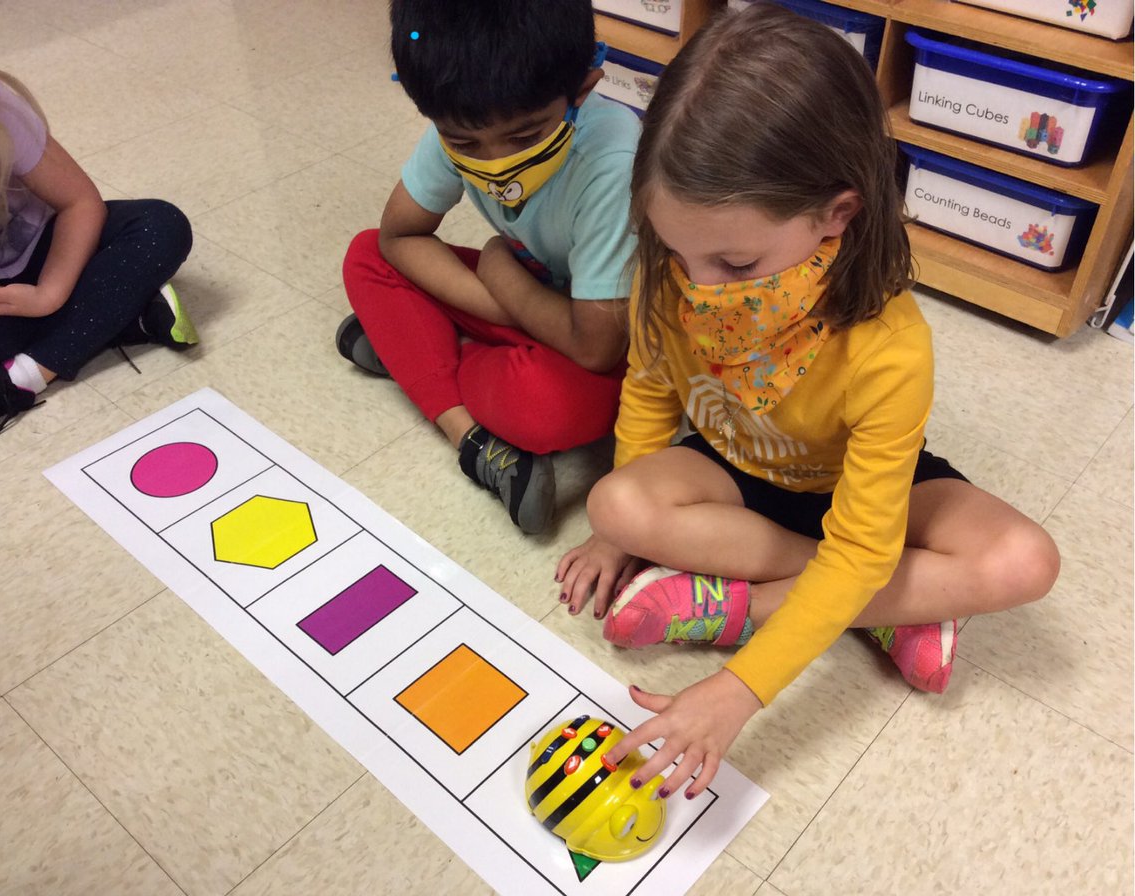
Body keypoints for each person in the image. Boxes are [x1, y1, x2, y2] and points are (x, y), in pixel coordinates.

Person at [555, 4, 1060, 800]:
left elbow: (862, 543)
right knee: (617, 505)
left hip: (855, 495)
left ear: (838, 212)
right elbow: (649, 393)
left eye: (734, 260)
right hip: (734, 469)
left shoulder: (890, 346)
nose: (699, 285)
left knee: (1027, 561)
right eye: (680, 254)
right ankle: (897, 606)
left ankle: (739, 607)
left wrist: (738, 688)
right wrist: (616, 540)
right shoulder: (671, 267)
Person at [339, 0, 638, 534]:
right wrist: (506, 294)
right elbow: (398, 234)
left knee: (548, 408)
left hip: (608, 335)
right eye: (463, 143)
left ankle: (423, 352)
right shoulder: (465, 112)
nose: (496, 160)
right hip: (537, 304)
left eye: (525, 137)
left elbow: (598, 347)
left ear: (583, 90)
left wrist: (501, 274)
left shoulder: (611, 162)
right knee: (365, 255)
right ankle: (471, 440)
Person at [0, 0, 195, 456]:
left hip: (46, 256)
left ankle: (20, 379)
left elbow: (80, 202)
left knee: (162, 224)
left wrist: (48, 296)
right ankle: (118, 314)